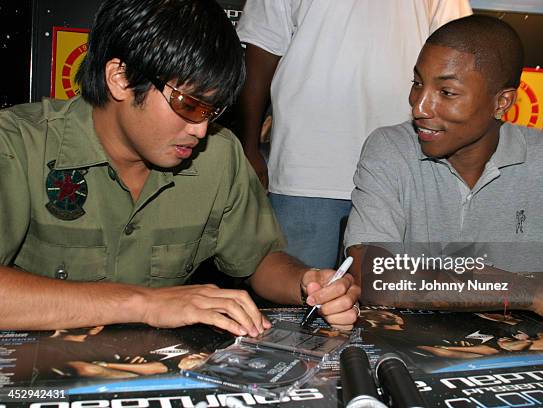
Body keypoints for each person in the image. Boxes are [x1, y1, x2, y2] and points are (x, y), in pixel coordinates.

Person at [0, 0, 359, 335]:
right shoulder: (19, 146)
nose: (200, 130)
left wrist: (308, 283)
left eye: (212, 111)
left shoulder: (217, 155)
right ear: (120, 78)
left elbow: (259, 258)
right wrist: (144, 304)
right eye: (189, 104)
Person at [344, 15, 543, 335]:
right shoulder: (390, 148)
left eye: (446, 92)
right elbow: (374, 272)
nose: (419, 107)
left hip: (524, 357)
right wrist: (529, 292)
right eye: (418, 84)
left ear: (502, 102)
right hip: (414, 346)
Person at [236, 0, 472, 269]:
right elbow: (261, 51)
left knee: (395, 302)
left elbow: (460, 50)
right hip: (308, 170)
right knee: (298, 295)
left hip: (404, 171)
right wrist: (249, 146)